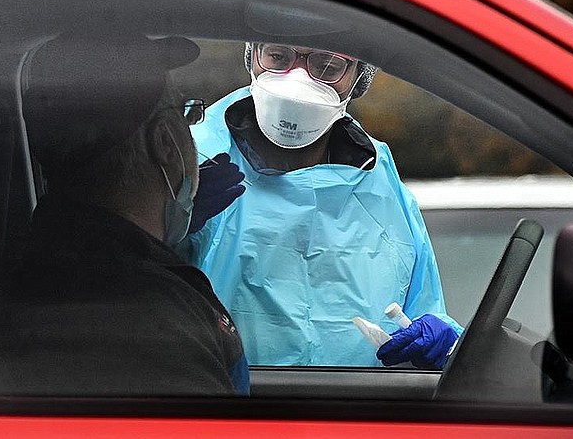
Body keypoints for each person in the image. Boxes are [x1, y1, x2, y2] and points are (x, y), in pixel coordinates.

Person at [0, 30, 249, 396]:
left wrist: (160, 244)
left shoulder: (53, 259)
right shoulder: (146, 316)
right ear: (164, 142)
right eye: (185, 114)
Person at [184, 41, 462, 368]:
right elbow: (132, 302)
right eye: (278, 56)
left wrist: (445, 342)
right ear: (252, 55)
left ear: (359, 76)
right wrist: (171, 228)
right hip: (222, 413)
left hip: (354, 413)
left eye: (327, 66)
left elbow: (422, 308)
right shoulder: (194, 159)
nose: (298, 79)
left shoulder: (378, 177)